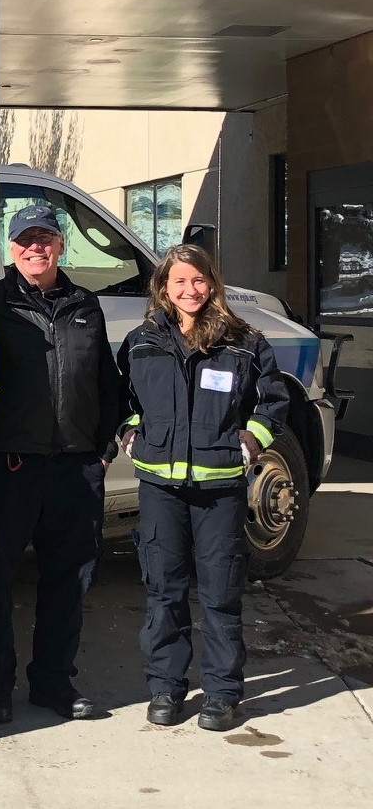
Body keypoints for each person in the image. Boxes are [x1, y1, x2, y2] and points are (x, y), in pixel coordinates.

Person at [0, 203, 126, 725]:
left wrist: (103, 452)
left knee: (69, 581)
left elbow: (107, 382)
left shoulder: (86, 306)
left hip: (75, 469)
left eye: (45, 238)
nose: (36, 247)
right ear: (10, 249)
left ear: (60, 245)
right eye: (25, 240)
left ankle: (54, 684)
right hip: (9, 467)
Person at [118, 243, 288, 732]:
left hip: (220, 492)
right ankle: (167, 689)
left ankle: (221, 693)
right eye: (179, 282)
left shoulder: (244, 341)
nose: (190, 290)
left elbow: (273, 401)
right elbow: (120, 395)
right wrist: (130, 432)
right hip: (160, 489)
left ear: (212, 284)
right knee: (164, 591)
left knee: (219, 594)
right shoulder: (142, 340)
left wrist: (253, 440)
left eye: (199, 280)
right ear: (163, 288)